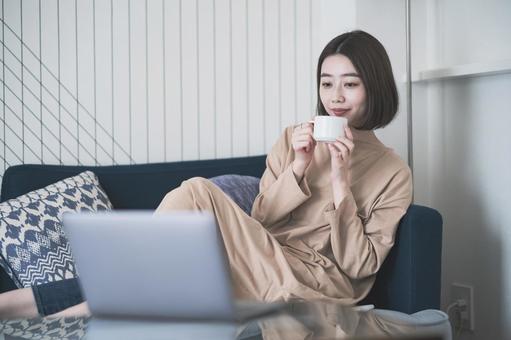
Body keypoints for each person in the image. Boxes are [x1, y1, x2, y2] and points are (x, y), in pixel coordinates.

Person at [0, 30, 411, 318]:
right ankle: (67, 309)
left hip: (318, 284)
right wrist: (299, 168)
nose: (335, 97)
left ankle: (62, 309)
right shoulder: (293, 139)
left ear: (373, 87)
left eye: (350, 84)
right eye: (327, 84)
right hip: (264, 255)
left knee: (197, 197)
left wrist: (341, 184)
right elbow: (263, 219)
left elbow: (361, 268)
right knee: (180, 250)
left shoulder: (393, 171)